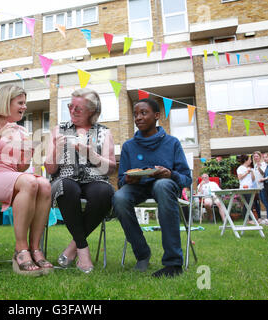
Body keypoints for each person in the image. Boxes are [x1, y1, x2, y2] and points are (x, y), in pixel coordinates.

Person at [0, 84, 53, 276]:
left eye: (25, 103)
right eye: (20, 102)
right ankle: (20, 249)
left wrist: (28, 155)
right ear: (6, 102)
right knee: (29, 182)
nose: (24, 107)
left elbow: (19, 168)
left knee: (44, 184)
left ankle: (35, 248)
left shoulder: (20, 130)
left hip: (11, 175)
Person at [112, 98, 192, 278]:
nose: (138, 118)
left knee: (163, 185)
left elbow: (187, 179)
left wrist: (170, 174)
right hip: (137, 187)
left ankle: (173, 263)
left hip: (164, 186)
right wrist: (128, 179)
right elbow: (121, 181)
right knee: (119, 197)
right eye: (135, 115)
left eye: (143, 113)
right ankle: (142, 253)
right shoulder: (129, 146)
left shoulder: (172, 143)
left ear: (156, 116)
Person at [44, 88, 116, 273]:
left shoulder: (104, 132)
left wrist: (91, 154)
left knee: (105, 192)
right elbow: (50, 169)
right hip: (66, 179)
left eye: (79, 108)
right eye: (70, 106)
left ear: (92, 111)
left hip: (95, 179)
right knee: (66, 187)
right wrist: (56, 152)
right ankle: (83, 251)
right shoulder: (59, 130)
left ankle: (72, 248)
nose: (72, 110)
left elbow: (111, 169)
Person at [237, 154, 256, 221]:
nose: (251, 161)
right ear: (246, 160)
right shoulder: (240, 168)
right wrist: (247, 172)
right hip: (244, 188)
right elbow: (240, 177)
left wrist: (251, 172)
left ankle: (248, 219)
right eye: (249, 160)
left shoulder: (249, 168)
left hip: (250, 188)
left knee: (250, 203)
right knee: (248, 203)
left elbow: (253, 179)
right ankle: (248, 219)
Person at [253, 151, 267, 222]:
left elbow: (264, 173)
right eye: (254, 156)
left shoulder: (263, 164)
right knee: (263, 202)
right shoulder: (255, 165)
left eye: (257, 156)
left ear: (260, 157)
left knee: (265, 202)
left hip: (263, 186)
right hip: (258, 187)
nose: (256, 158)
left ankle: (267, 218)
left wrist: (259, 167)